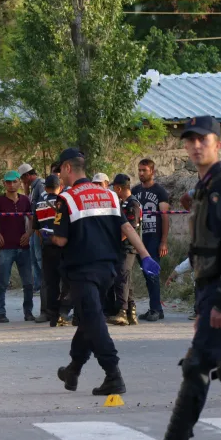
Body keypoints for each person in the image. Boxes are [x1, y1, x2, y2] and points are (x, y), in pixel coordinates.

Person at [142, 116, 221, 440]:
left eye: (202, 140)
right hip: (218, 288)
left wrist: (220, 303)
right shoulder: (207, 187)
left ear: (217, 144)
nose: (195, 145)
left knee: (198, 364)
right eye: (189, 140)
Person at [53, 148, 160, 396]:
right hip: (108, 272)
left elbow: (60, 240)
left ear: (68, 168)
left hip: (82, 271)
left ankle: (113, 375)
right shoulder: (110, 195)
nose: (59, 176)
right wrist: (145, 255)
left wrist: (51, 234)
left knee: (94, 321)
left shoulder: (67, 199)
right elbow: (127, 227)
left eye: (60, 171)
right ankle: (74, 369)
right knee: (89, 319)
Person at [0, 171, 34, 323]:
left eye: (14, 182)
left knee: (28, 283)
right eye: (8, 182)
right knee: (3, 282)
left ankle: (28, 312)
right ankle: (1, 313)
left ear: (19, 182)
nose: (11, 185)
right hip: (6, 247)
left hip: (23, 246)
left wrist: (29, 233)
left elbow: (33, 218)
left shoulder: (25, 200)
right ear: (4, 183)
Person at [132, 158, 170, 321]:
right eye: (139, 170)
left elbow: (165, 217)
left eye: (144, 170)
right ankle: (155, 308)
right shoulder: (134, 191)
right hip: (138, 237)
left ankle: (156, 309)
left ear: (152, 172)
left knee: (152, 273)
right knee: (146, 275)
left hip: (153, 237)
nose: (141, 173)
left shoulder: (160, 191)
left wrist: (163, 241)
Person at [34, 174, 72, 326]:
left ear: (44, 188)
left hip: (47, 246)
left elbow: (36, 228)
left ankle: (51, 312)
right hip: (62, 247)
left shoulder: (38, 204)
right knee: (67, 280)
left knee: (50, 282)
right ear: (60, 187)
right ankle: (63, 311)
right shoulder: (62, 203)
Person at [107, 174, 142, 326]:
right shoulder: (124, 203)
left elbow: (129, 229)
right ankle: (131, 312)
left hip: (128, 247)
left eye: (114, 188)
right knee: (124, 278)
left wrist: (113, 241)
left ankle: (122, 311)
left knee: (122, 277)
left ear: (119, 188)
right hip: (123, 247)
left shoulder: (132, 204)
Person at [19, 163, 45, 294]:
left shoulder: (40, 185)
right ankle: (38, 286)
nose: (22, 182)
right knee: (33, 257)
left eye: (22, 179)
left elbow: (43, 205)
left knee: (39, 257)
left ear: (27, 176)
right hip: (34, 227)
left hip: (39, 227)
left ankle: (46, 284)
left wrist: (40, 228)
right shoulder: (33, 188)